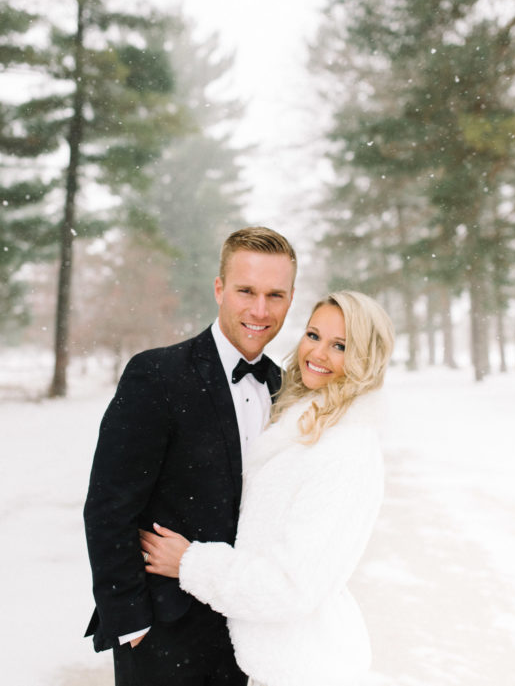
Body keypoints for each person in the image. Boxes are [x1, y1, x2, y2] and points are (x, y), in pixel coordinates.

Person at [140, 290, 394, 686]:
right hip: (280, 660)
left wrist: (191, 563)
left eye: (340, 345)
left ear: (365, 358)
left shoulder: (345, 450)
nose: (318, 353)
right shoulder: (306, 419)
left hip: (306, 669)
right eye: (314, 335)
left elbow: (290, 585)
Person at [83, 226, 297, 686]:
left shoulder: (287, 391)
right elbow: (108, 506)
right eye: (246, 291)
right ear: (219, 289)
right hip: (166, 635)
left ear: (290, 299)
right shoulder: (157, 375)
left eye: (275, 295)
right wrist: (131, 623)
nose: (260, 310)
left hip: (251, 635)